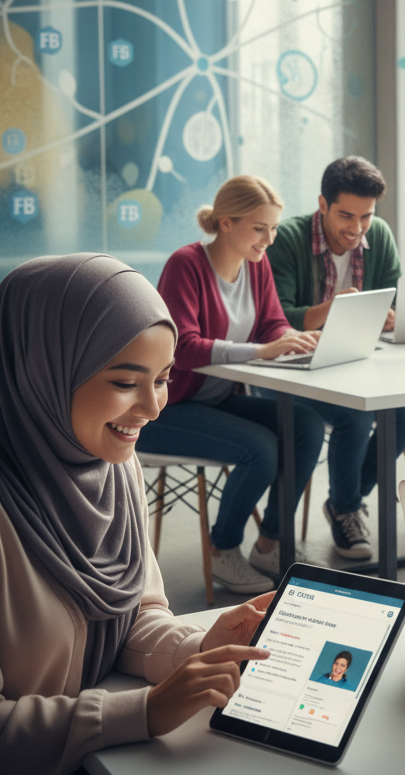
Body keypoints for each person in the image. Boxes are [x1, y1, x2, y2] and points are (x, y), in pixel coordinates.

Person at [0, 253, 273, 775]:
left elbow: (130, 616)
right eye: (125, 383)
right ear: (41, 372)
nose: (152, 408)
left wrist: (198, 648)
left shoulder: (114, 466)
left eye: (164, 379)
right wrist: (143, 712)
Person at [136, 176, 325, 595]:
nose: (269, 240)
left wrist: (294, 340)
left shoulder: (256, 266)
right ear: (226, 223)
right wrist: (261, 351)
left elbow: (272, 323)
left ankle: (271, 544)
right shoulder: (186, 264)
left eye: (273, 228)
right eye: (260, 228)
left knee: (307, 426)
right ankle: (223, 550)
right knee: (261, 449)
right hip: (167, 408)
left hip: (217, 399)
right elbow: (183, 347)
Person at [266, 157, 405, 560]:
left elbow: (391, 299)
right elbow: (277, 316)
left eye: (366, 216)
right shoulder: (287, 238)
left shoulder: (379, 235)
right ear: (323, 204)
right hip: (290, 370)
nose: (357, 228)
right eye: (346, 216)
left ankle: (345, 504)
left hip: (355, 363)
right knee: (354, 414)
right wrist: (333, 308)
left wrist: (390, 315)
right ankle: (347, 507)